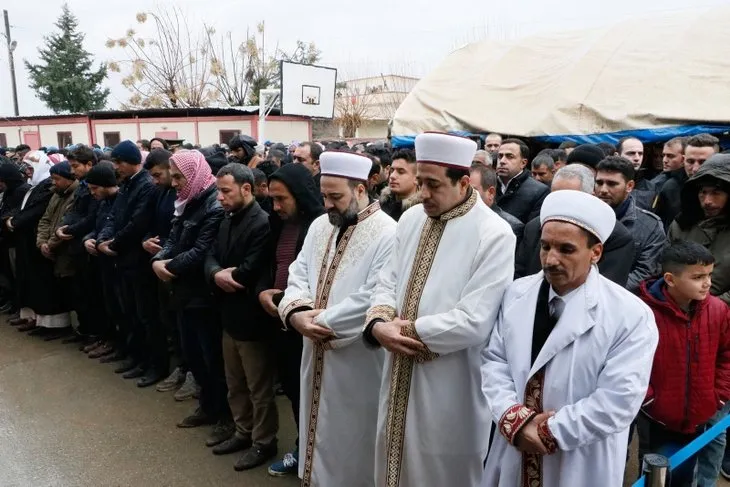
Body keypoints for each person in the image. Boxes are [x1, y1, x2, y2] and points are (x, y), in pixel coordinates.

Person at [363, 132, 515, 487]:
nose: (424, 194)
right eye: (420, 183)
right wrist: (379, 322)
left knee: (443, 467)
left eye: (433, 185)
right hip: (397, 368)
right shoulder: (412, 218)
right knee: (392, 458)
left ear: (464, 182)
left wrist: (400, 332)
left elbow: (474, 321)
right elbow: (387, 280)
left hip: (452, 383)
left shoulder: (494, 234)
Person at [482, 190, 658, 487]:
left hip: (580, 459)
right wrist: (514, 418)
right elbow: (494, 362)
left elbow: (619, 400)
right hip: (514, 445)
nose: (550, 260)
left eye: (566, 249)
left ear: (596, 252)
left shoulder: (629, 314)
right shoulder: (516, 294)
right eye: (545, 246)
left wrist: (548, 432)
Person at [278, 151, 396, 487]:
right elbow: (297, 273)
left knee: (353, 442)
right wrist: (296, 313)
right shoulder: (319, 225)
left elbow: (375, 295)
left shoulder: (389, 233)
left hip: (356, 359)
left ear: (360, 190)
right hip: (312, 349)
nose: (328, 204)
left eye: (336, 197)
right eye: (324, 196)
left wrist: (321, 323)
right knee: (319, 435)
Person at [638, 241, 730, 487]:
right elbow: (631, 363)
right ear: (670, 279)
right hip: (656, 416)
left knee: (683, 477)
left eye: (710, 274)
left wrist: (718, 396)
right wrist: (648, 399)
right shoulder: (642, 313)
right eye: (698, 277)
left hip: (699, 415)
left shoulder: (719, 310)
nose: (707, 283)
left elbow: (726, 354)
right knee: (652, 477)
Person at [203, 164, 277, 472]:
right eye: (219, 190)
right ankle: (242, 431)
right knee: (235, 382)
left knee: (259, 387)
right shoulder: (226, 218)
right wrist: (216, 273)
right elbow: (209, 254)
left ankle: (264, 441)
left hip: (252, 319)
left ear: (246, 189)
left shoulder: (263, 223)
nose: (219, 198)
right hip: (228, 315)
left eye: (225, 191)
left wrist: (227, 274)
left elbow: (250, 269)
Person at [150, 150, 227, 439]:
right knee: (194, 357)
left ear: (193, 174)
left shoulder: (212, 207)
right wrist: (158, 261)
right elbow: (173, 239)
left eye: (179, 177)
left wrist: (167, 265)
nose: (174, 183)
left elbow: (201, 251)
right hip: (184, 294)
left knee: (212, 360)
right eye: (173, 177)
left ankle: (224, 415)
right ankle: (207, 407)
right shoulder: (187, 202)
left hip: (203, 298)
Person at [256, 163, 324, 477]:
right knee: (295, 394)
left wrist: (288, 303)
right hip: (279, 324)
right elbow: (267, 266)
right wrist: (264, 293)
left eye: (282, 199)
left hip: (308, 326)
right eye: (272, 199)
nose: (276, 206)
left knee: (315, 396)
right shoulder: (277, 224)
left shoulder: (321, 228)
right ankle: (302, 448)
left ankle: (317, 456)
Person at [515, 165, 635, 287]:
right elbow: (520, 274)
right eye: (556, 198)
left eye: (570, 199)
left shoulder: (615, 236)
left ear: (591, 197)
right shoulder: (534, 227)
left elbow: (606, 290)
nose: (551, 260)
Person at [97, 141, 157, 380]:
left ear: (133, 162)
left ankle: (154, 364)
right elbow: (113, 216)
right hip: (121, 259)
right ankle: (138, 358)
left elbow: (137, 223)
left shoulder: (146, 186)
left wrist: (113, 244)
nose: (116, 167)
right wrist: (103, 238)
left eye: (119, 162)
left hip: (138, 261)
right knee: (129, 312)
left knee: (146, 317)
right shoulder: (126, 185)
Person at [595, 157, 666, 292]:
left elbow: (645, 272)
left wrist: (604, 292)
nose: (603, 189)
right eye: (599, 182)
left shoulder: (650, 226)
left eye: (612, 184)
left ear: (629, 186)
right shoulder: (583, 217)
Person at [668, 154, 730, 305]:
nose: (707, 201)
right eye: (703, 192)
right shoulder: (682, 224)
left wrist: (712, 308)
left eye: (716, 193)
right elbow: (664, 268)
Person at [55, 146, 100, 344]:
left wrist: (70, 230)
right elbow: (75, 211)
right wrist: (64, 226)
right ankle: (86, 331)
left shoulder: (98, 183)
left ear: (89, 164)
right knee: (80, 294)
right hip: (76, 246)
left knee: (93, 297)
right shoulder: (83, 185)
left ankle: (97, 334)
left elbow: (92, 217)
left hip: (89, 246)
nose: (72, 172)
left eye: (75, 166)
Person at [11, 153, 57, 334]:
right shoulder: (34, 186)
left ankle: (50, 324)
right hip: (29, 240)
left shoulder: (47, 186)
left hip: (38, 240)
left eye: (31, 168)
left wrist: (14, 221)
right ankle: (35, 319)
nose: (28, 173)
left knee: (43, 284)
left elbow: (36, 212)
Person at [34, 161, 79, 340]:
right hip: (53, 251)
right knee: (64, 292)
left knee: (76, 294)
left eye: (57, 179)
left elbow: (65, 223)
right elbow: (45, 219)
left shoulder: (76, 195)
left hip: (67, 253)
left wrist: (50, 244)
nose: (54, 183)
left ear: (68, 179)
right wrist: (41, 242)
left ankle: (81, 330)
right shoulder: (56, 194)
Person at [81, 162, 120, 360]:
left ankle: (118, 344)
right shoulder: (102, 202)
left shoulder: (120, 200)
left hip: (116, 263)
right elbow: (97, 226)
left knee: (120, 309)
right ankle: (107, 339)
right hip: (100, 260)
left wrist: (102, 242)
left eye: (95, 188)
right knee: (106, 304)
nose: (92, 193)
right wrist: (88, 239)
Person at [654, 134, 720, 230]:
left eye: (703, 162)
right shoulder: (670, 188)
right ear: (683, 160)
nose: (695, 169)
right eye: (690, 161)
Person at [0, 163, 30, 316]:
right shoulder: (9, 191)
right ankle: (11, 301)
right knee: (8, 274)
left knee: (17, 275)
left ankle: (18, 305)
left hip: (15, 240)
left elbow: (17, 213)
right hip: (6, 239)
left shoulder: (22, 191)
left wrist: (5, 219)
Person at [496, 138, 550, 223]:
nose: (502, 161)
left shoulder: (539, 191)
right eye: (500, 156)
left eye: (510, 157)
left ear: (523, 163)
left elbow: (531, 230)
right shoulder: (486, 184)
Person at [470, 163, 524, 246]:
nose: (463, 195)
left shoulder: (512, 227)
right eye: (462, 188)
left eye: (471, 190)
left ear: (491, 193)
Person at [379, 149, 421, 222]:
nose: (392, 176)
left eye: (401, 172)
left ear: (417, 178)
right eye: (392, 171)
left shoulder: (422, 213)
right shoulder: (380, 206)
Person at [616, 137, 656, 210]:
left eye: (640, 154)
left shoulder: (650, 187)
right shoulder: (605, 182)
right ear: (617, 155)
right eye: (631, 153)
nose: (637, 158)